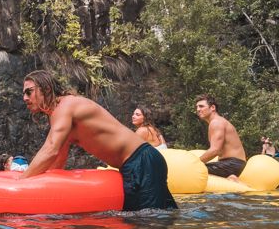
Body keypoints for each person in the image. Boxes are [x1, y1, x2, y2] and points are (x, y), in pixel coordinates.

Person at [19, 70, 177, 211]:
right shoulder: (59, 116)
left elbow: (50, 150)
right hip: (138, 164)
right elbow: (58, 160)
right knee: (158, 218)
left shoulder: (65, 106)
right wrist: (42, 185)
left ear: (46, 89)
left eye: (29, 92)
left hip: (141, 161)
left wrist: (21, 181)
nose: (24, 97)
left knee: (149, 225)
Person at [195, 94, 247, 178]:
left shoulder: (216, 122)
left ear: (212, 108)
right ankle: (231, 179)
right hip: (232, 164)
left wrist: (194, 162)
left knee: (194, 169)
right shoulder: (218, 121)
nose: (198, 109)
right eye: (197, 107)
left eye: (201, 106)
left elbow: (215, 150)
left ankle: (232, 178)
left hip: (232, 165)